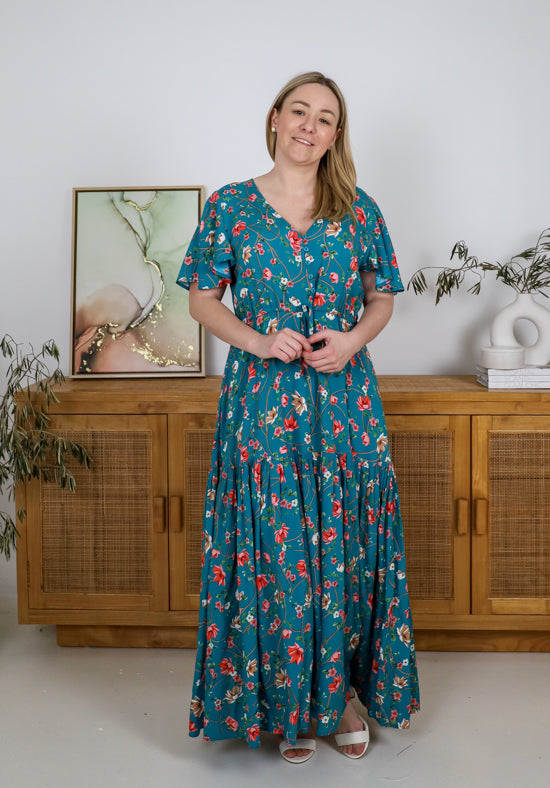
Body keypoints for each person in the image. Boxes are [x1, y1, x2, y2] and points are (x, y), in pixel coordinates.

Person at [177, 71, 419, 763]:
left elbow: (381, 299)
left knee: (343, 547)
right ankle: (288, 702)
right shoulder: (229, 206)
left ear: (336, 136)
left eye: (326, 119)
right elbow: (200, 299)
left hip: (344, 406)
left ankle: (339, 694)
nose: (311, 127)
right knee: (277, 554)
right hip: (262, 406)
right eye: (300, 112)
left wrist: (350, 341)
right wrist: (256, 340)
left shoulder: (358, 208)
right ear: (276, 119)